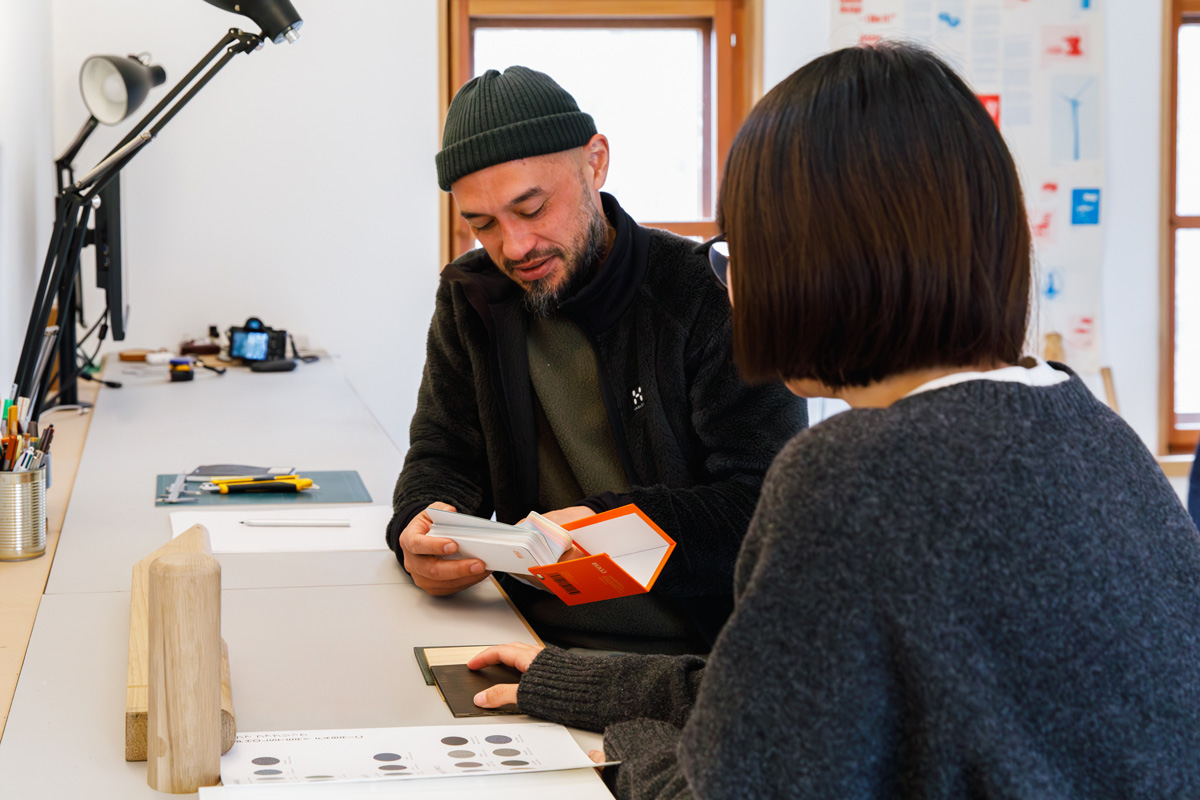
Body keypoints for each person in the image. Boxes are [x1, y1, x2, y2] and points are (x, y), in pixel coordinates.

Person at [467, 44, 1200, 798]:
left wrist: (633, 744)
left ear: (814, 262)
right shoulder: (1090, 429)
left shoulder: (852, 475)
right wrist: (576, 682)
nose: (730, 288)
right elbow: (784, 696)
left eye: (738, 256)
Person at [387, 66, 806, 653]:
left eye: (532, 209)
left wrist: (608, 526)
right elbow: (443, 452)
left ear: (596, 161)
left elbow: (765, 507)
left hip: (692, 659)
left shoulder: (708, 295)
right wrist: (418, 526)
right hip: (514, 635)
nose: (514, 246)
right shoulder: (472, 298)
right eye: (482, 225)